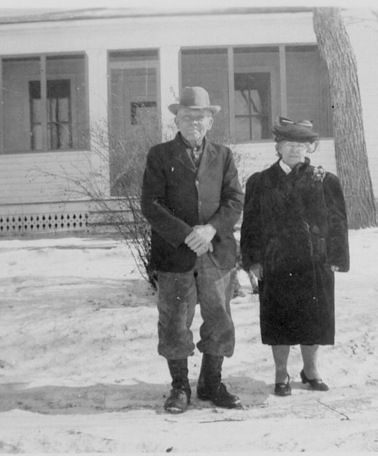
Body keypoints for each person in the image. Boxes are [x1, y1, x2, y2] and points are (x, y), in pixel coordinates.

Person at [141, 86, 244, 413]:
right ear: (177, 119)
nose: (193, 122)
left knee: (219, 318)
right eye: (186, 116)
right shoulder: (159, 155)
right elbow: (151, 204)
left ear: (210, 121)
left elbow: (234, 200)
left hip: (216, 253)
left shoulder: (224, 156)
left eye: (200, 117)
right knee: (174, 321)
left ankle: (211, 383)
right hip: (176, 254)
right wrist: (188, 235)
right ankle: (180, 386)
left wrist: (211, 229)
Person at [240, 117, 349, 397]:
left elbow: (337, 222)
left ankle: (311, 370)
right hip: (275, 262)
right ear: (277, 147)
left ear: (309, 148)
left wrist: (337, 257)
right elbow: (250, 224)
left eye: (300, 145)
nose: (294, 150)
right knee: (280, 320)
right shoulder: (260, 182)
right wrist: (253, 260)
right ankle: (281, 372)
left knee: (313, 319)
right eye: (288, 144)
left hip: (315, 262)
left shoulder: (326, 181)